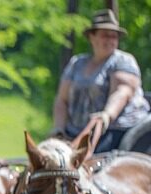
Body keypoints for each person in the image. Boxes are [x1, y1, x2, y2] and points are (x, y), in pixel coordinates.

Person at [52, 9, 150, 153]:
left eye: (114, 36)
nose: (110, 40)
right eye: (105, 35)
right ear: (92, 37)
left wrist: (106, 115)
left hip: (115, 131)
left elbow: (122, 92)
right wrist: (58, 129)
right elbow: (62, 100)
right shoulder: (77, 63)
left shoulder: (123, 61)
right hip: (75, 132)